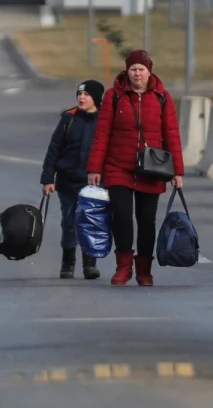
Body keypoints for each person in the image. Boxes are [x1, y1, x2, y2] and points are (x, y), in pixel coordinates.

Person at [86, 50, 184, 287]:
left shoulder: (162, 97)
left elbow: (172, 134)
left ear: (150, 71)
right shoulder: (113, 96)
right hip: (118, 166)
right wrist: (94, 168)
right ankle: (123, 267)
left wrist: (178, 171)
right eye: (133, 69)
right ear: (126, 71)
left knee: (146, 220)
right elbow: (102, 134)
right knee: (121, 216)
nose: (137, 74)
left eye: (141, 69)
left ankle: (144, 270)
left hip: (152, 169)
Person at [41, 79, 105, 281]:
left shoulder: (105, 121)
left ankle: (90, 264)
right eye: (79, 94)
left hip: (93, 183)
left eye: (86, 95)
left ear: (96, 98)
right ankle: (68, 263)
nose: (81, 97)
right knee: (69, 222)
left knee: (91, 222)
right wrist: (47, 178)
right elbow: (54, 149)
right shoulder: (68, 119)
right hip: (67, 181)